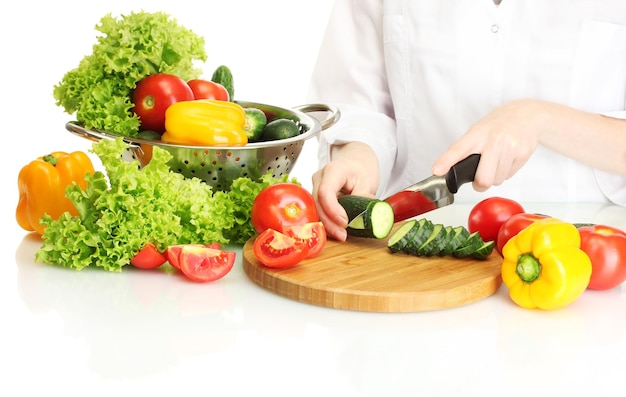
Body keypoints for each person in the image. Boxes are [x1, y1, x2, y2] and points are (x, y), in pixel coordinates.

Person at [307, 0, 626, 241]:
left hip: (587, 254)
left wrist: (537, 118)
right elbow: (358, 102)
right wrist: (358, 158)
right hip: (412, 250)